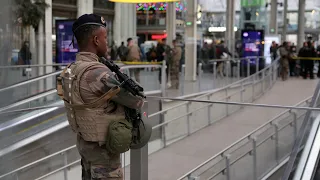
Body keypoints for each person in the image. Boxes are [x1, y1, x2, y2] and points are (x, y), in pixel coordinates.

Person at [56, 14, 147, 180]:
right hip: (104, 155)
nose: (107, 41)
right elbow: (137, 100)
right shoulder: (98, 73)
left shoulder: (70, 70)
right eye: (105, 37)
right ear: (96, 40)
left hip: (86, 147)